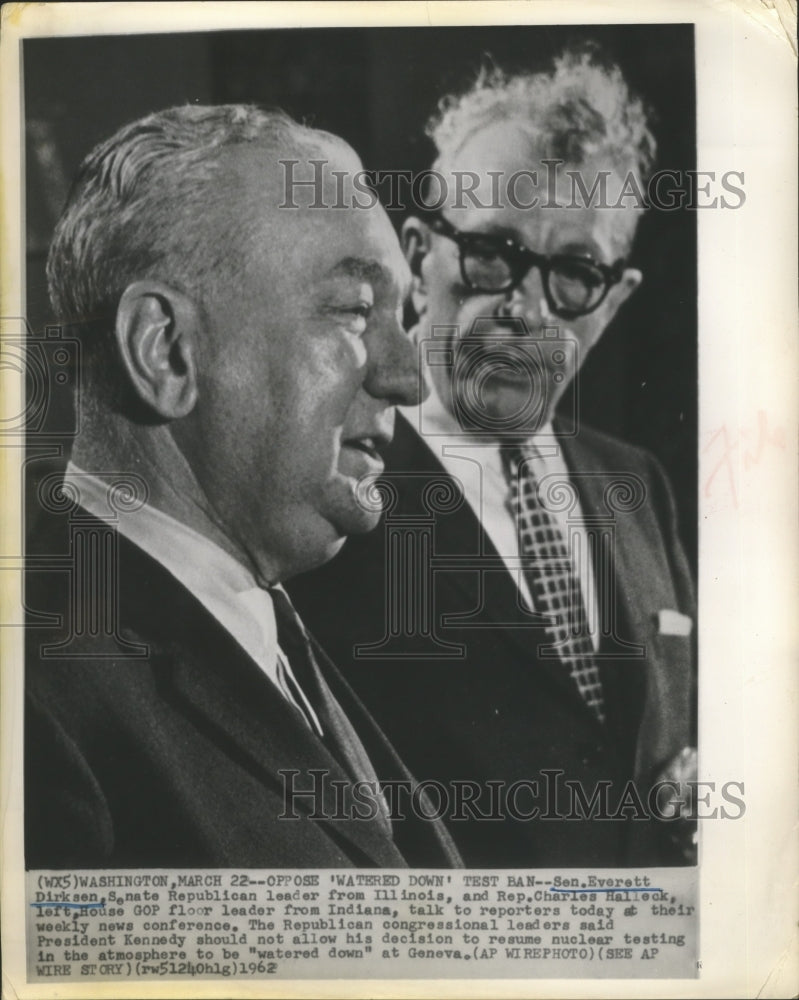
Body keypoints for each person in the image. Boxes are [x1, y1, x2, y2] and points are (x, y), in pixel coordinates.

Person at [24, 104, 461, 869]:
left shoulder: (264, 625)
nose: (407, 379)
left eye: (406, 319)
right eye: (355, 311)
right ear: (166, 352)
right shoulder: (35, 702)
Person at [289, 49, 697, 867]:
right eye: (493, 252)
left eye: (574, 274)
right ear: (416, 260)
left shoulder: (635, 484)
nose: (522, 307)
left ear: (612, 303)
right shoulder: (327, 487)